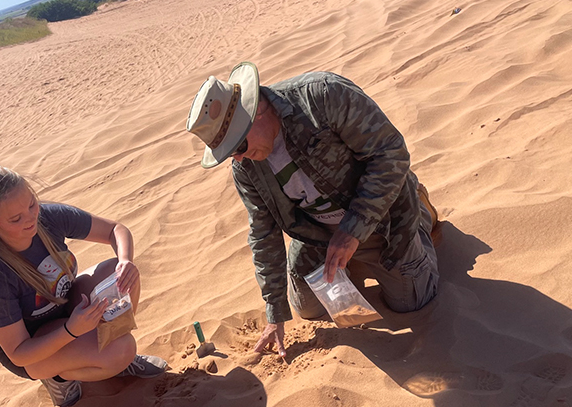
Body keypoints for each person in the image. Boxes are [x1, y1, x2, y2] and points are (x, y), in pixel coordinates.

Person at [186, 62, 439, 358]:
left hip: (384, 216)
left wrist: (353, 230)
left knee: (412, 303)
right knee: (307, 307)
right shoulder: (246, 167)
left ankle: (420, 214)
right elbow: (263, 232)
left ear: (256, 112)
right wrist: (274, 312)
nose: (239, 158)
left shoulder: (322, 96)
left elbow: (390, 153)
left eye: (238, 145)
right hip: (320, 234)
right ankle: (353, 257)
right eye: (229, 153)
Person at [0, 165, 167, 407]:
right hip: (33, 346)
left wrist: (126, 261)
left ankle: (104, 354)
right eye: (16, 218)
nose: (30, 218)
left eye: (31, 204)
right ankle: (59, 376)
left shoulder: (47, 218)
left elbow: (116, 230)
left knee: (118, 273)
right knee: (121, 350)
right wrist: (72, 330)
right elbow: (19, 353)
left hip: (64, 306)